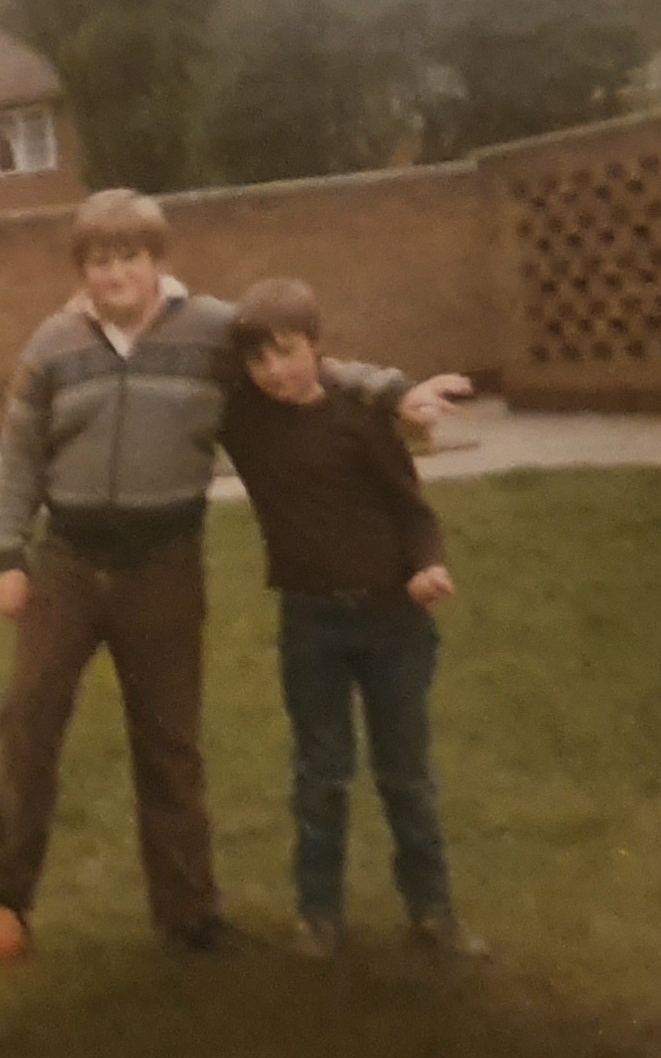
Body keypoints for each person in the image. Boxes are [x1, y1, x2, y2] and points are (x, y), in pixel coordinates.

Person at [0, 189, 470, 955]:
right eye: (99, 260)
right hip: (68, 561)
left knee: (169, 739)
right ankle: (0, 895)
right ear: (83, 270)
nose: (115, 272)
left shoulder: (212, 334)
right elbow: (20, 453)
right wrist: (6, 555)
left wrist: (395, 391)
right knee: (27, 720)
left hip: (164, 562)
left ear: (158, 261)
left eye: (130, 256)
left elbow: (300, 360)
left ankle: (189, 911)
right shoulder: (53, 344)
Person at [219, 277, 485, 960]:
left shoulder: (358, 416)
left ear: (318, 346)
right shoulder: (245, 421)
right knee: (321, 773)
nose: (276, 371)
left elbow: (410, 507)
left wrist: (427, 563)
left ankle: (432, 911)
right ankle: (318, 916)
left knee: (405, 772)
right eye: (260, 360)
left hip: (393, 621)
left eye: (289, 352)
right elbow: (198, 346)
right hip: (310, 626)